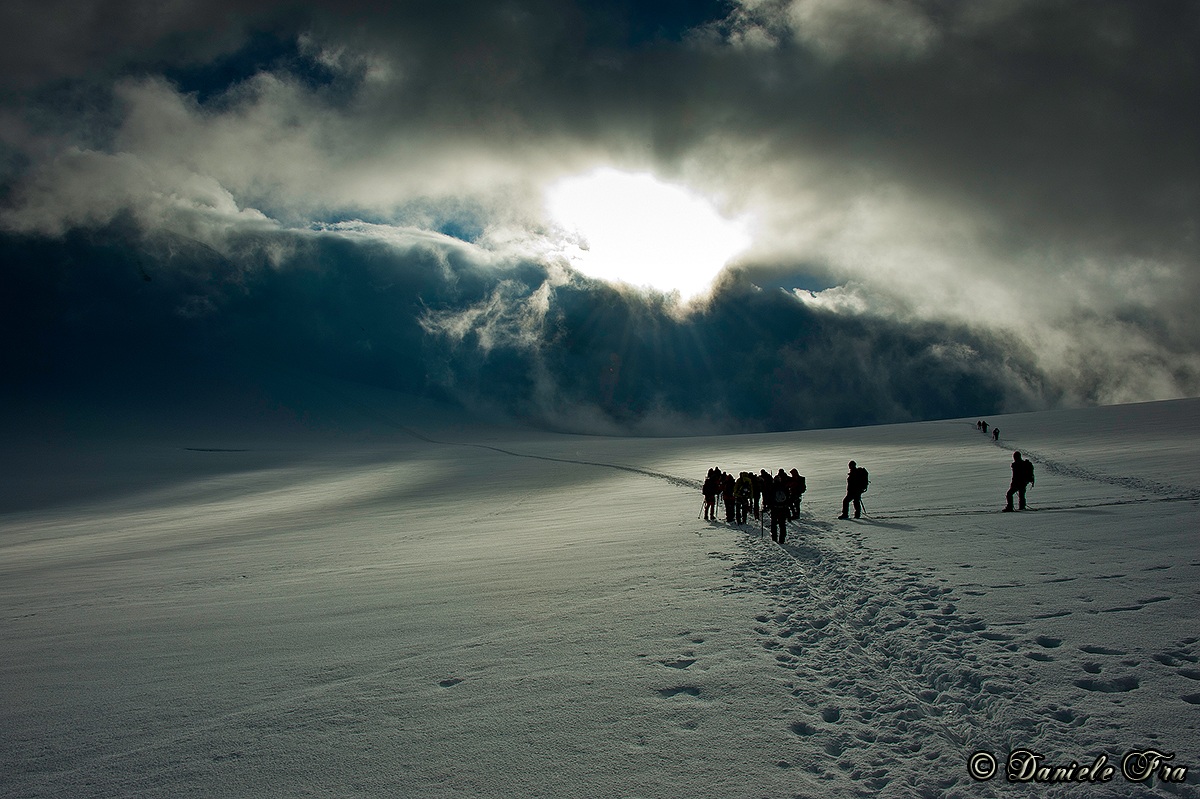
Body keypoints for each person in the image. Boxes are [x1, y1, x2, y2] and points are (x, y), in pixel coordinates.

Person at [768, 469, 791, 543]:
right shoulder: (784, 487)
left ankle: (774, 538)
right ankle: (782, 539)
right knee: (782, 524)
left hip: (775, 508)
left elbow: (769, 498)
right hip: (783, 508)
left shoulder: (772, 487)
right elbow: (788, 498)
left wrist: (769, 506)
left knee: (773, 523)